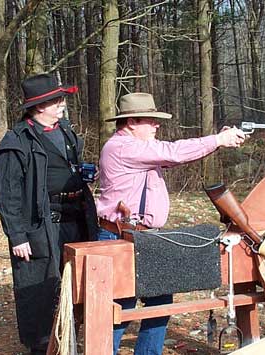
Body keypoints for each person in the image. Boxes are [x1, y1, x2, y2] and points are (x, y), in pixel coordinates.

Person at [96, 92, 246, 355]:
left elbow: (173, 155)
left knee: (161, 299)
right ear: (131, 122)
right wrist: (218, 140)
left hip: (143, 237)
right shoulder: (124, 147)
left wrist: (216, 141)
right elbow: (174, 152)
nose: (157, 125)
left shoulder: (137, 147)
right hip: (121, 238)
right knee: (122, 306)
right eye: (150, 121)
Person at [0, 73, 98, 355]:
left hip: (77, 219)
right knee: (38, 289)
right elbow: (6, 193)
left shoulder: (66, 132)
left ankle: (70, 340)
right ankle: (41, 348)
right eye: (57, 100)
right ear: (40, 106)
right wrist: (17, 235)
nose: (62, 104)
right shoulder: (16, 142)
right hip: (40, 226)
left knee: (77, 284)